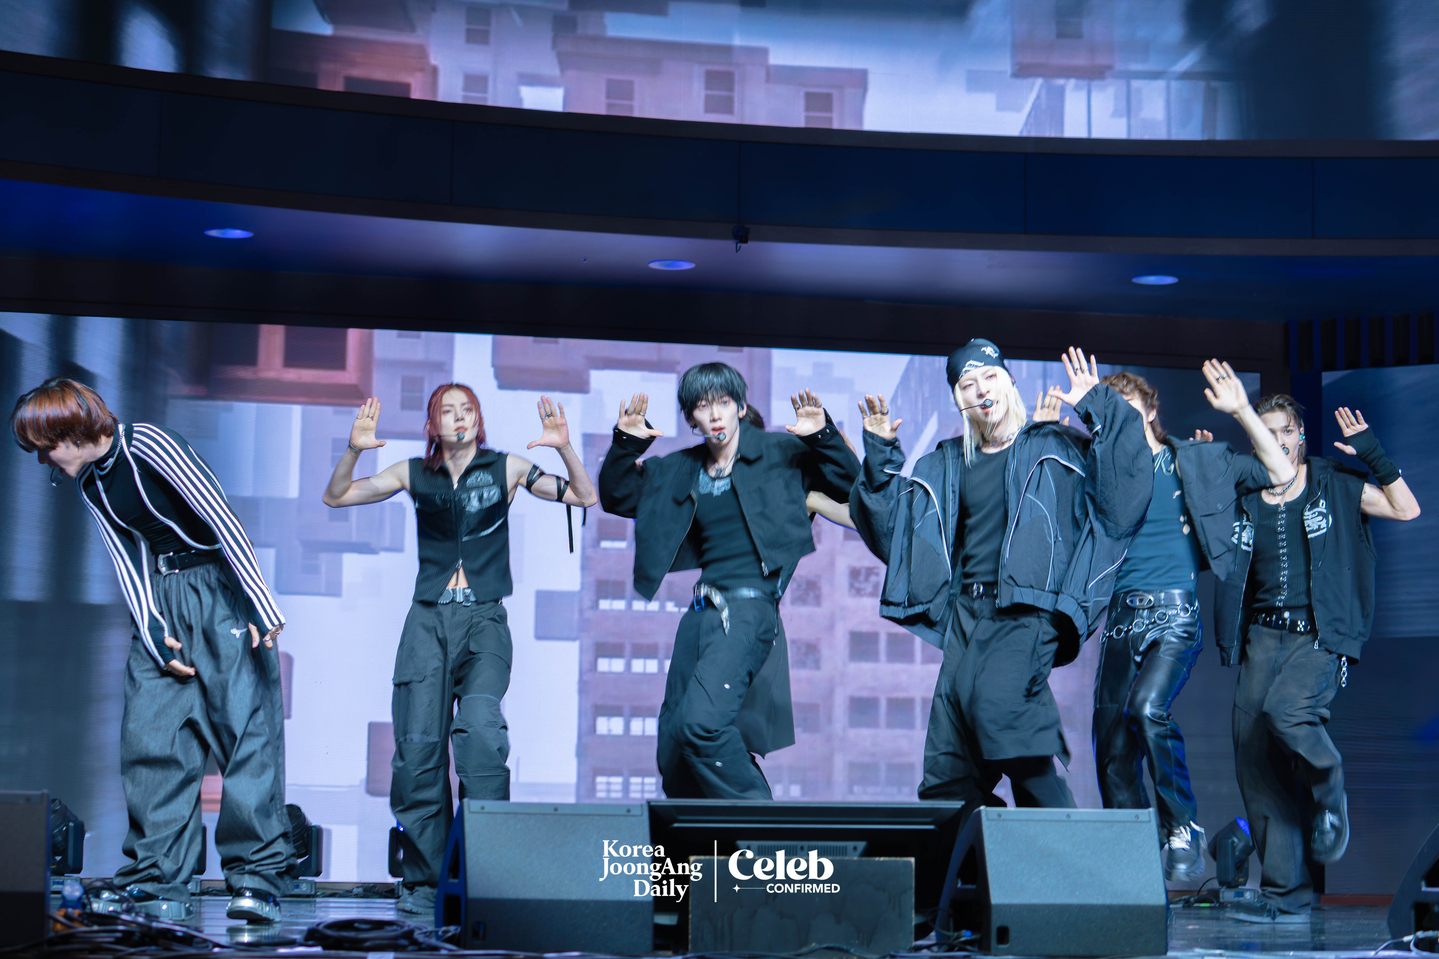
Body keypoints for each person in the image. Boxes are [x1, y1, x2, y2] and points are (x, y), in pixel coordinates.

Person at [10, 378, 289, 924]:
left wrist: (259, 602)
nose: (43, 459)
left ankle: (257, 879)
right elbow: (128, 557)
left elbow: (221, 519)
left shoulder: (150, 445)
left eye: (46, 446)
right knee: (152, 740)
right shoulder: (91, 483)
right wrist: (153, 627)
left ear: (69, 428)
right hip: (161, 600)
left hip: (218, 590)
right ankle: (159, 878)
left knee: (244, 734)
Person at [322, 385, 597, 918]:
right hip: (427, 621)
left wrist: (563, 447)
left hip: (485, 619)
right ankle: (425, 882)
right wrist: (354, 448)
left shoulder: (507, 468)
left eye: (466, 409)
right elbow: (337, 496)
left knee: (479, 731)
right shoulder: (411, 472)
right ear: (434, 423)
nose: (459, 417)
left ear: (479, 418)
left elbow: (584, 496)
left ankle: (487, 872)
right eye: (448, 411)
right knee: (418, 752)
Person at [851, 342, 1152, 816]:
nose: (980, 390)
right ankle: (979, 880)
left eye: (989, 377)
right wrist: (879, 452)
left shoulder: (1058, 448)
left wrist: (1099, 403)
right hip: (967, 619)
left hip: (1028, 611)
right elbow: (892, 533)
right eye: (967, 385)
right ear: (958, 400)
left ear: (1010, 383)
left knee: (1002, 712)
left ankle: (1079, 863)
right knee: (947, 778)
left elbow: (1122, 495)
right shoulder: (944, 463)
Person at [597, 363, 860, 799]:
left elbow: (852, 488)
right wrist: (625, 443)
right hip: (698, 616)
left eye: (723, 403)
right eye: (703, 406)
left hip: (747, 609)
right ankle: (700, 861)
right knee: (674, 752)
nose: (715, 414)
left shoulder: (781, 461)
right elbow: (619, 496)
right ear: (691, 419)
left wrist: (822, 436)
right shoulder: (684, 469)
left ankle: (770, 844)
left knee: (700, 725)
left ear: (740, 408)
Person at [1083, 362, 1294, 883]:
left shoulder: (1195, 460)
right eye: (1114, 419)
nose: (1124, 427)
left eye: (1131, 415)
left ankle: (1183, 826)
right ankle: (1129, 875)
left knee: (1147, 708)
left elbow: (1280, 474)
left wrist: (1243, 411)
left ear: (1153, 412)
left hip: (1175, 614)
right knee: (1111, 748)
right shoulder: (1100, 471)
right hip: (1119, 620)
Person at [1214, 395, 1419, 923]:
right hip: (1262, 638)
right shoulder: (1244, 494)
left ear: (1299, 436)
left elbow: (1406, 508)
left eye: (1284, 430)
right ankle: (1286, 894)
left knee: (1289, 711)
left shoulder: (1333, 484)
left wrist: (1373, 453)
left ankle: (1331, 795)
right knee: (1255, 758)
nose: (1276, 439)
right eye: (1266, 430)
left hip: (1319, 635)